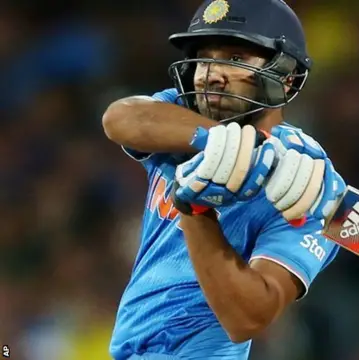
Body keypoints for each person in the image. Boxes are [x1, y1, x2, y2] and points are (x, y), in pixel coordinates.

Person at [101, 0, 346, 359]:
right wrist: (221, 145)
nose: (211, 73)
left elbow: (247, 319)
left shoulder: (306, 182)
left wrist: (196, 209)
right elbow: (118, 119)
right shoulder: (180, 122)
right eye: (204, 58)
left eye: (235, 59)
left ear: (286, 77)